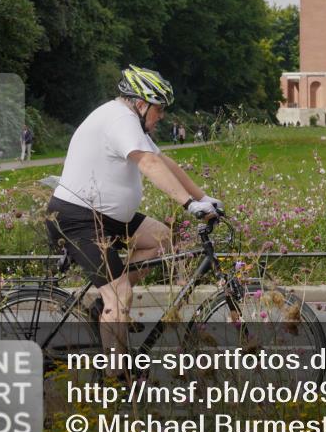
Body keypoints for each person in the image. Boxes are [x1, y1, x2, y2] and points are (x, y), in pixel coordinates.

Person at [44, 65, 222, 373]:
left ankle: (104, 307)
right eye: (159, 109)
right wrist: (188, 204)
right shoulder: (119, 119)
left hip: (105, 217)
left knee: (163, 238)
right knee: (120, 292)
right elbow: (150, 164)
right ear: (141, 104)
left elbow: (164, 162)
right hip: (77, 219)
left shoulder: (130, 123)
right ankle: (117, 381)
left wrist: (203, 198)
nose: (161, 115)